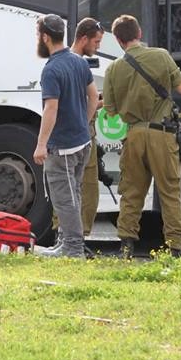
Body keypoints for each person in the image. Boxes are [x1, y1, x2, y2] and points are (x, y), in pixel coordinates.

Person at [103, 15, 181, 259]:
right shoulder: (161, 55)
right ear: (139, 33)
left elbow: (110, 110)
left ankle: (127, 245)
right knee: (170, 191)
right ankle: (175, 248)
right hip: (162, 134)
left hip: (133, 135)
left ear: (118, 41)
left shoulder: (113, 68)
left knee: (131, 192)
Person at [33, 15, 98, 258]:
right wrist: (85, 121)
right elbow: (93, 96)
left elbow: (51, 109)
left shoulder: (51, 69)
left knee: (65, 198)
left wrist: (41, 145)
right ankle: (66, 242)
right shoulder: (79, 62)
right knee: (75, 194)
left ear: (45, 37)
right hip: (82, 142)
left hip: (63, 147)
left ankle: (72, 247)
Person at [70, 17, 105, 236]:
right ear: (84, 39)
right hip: (82, 133)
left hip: (77, 132)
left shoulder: (67, 60)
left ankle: (68, 235)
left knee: (73, 186)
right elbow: (86, 101)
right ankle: (77, 237)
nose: (98, 47)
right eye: (97, 42)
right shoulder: (78, 63)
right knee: (87, 188)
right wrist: (103, 103)